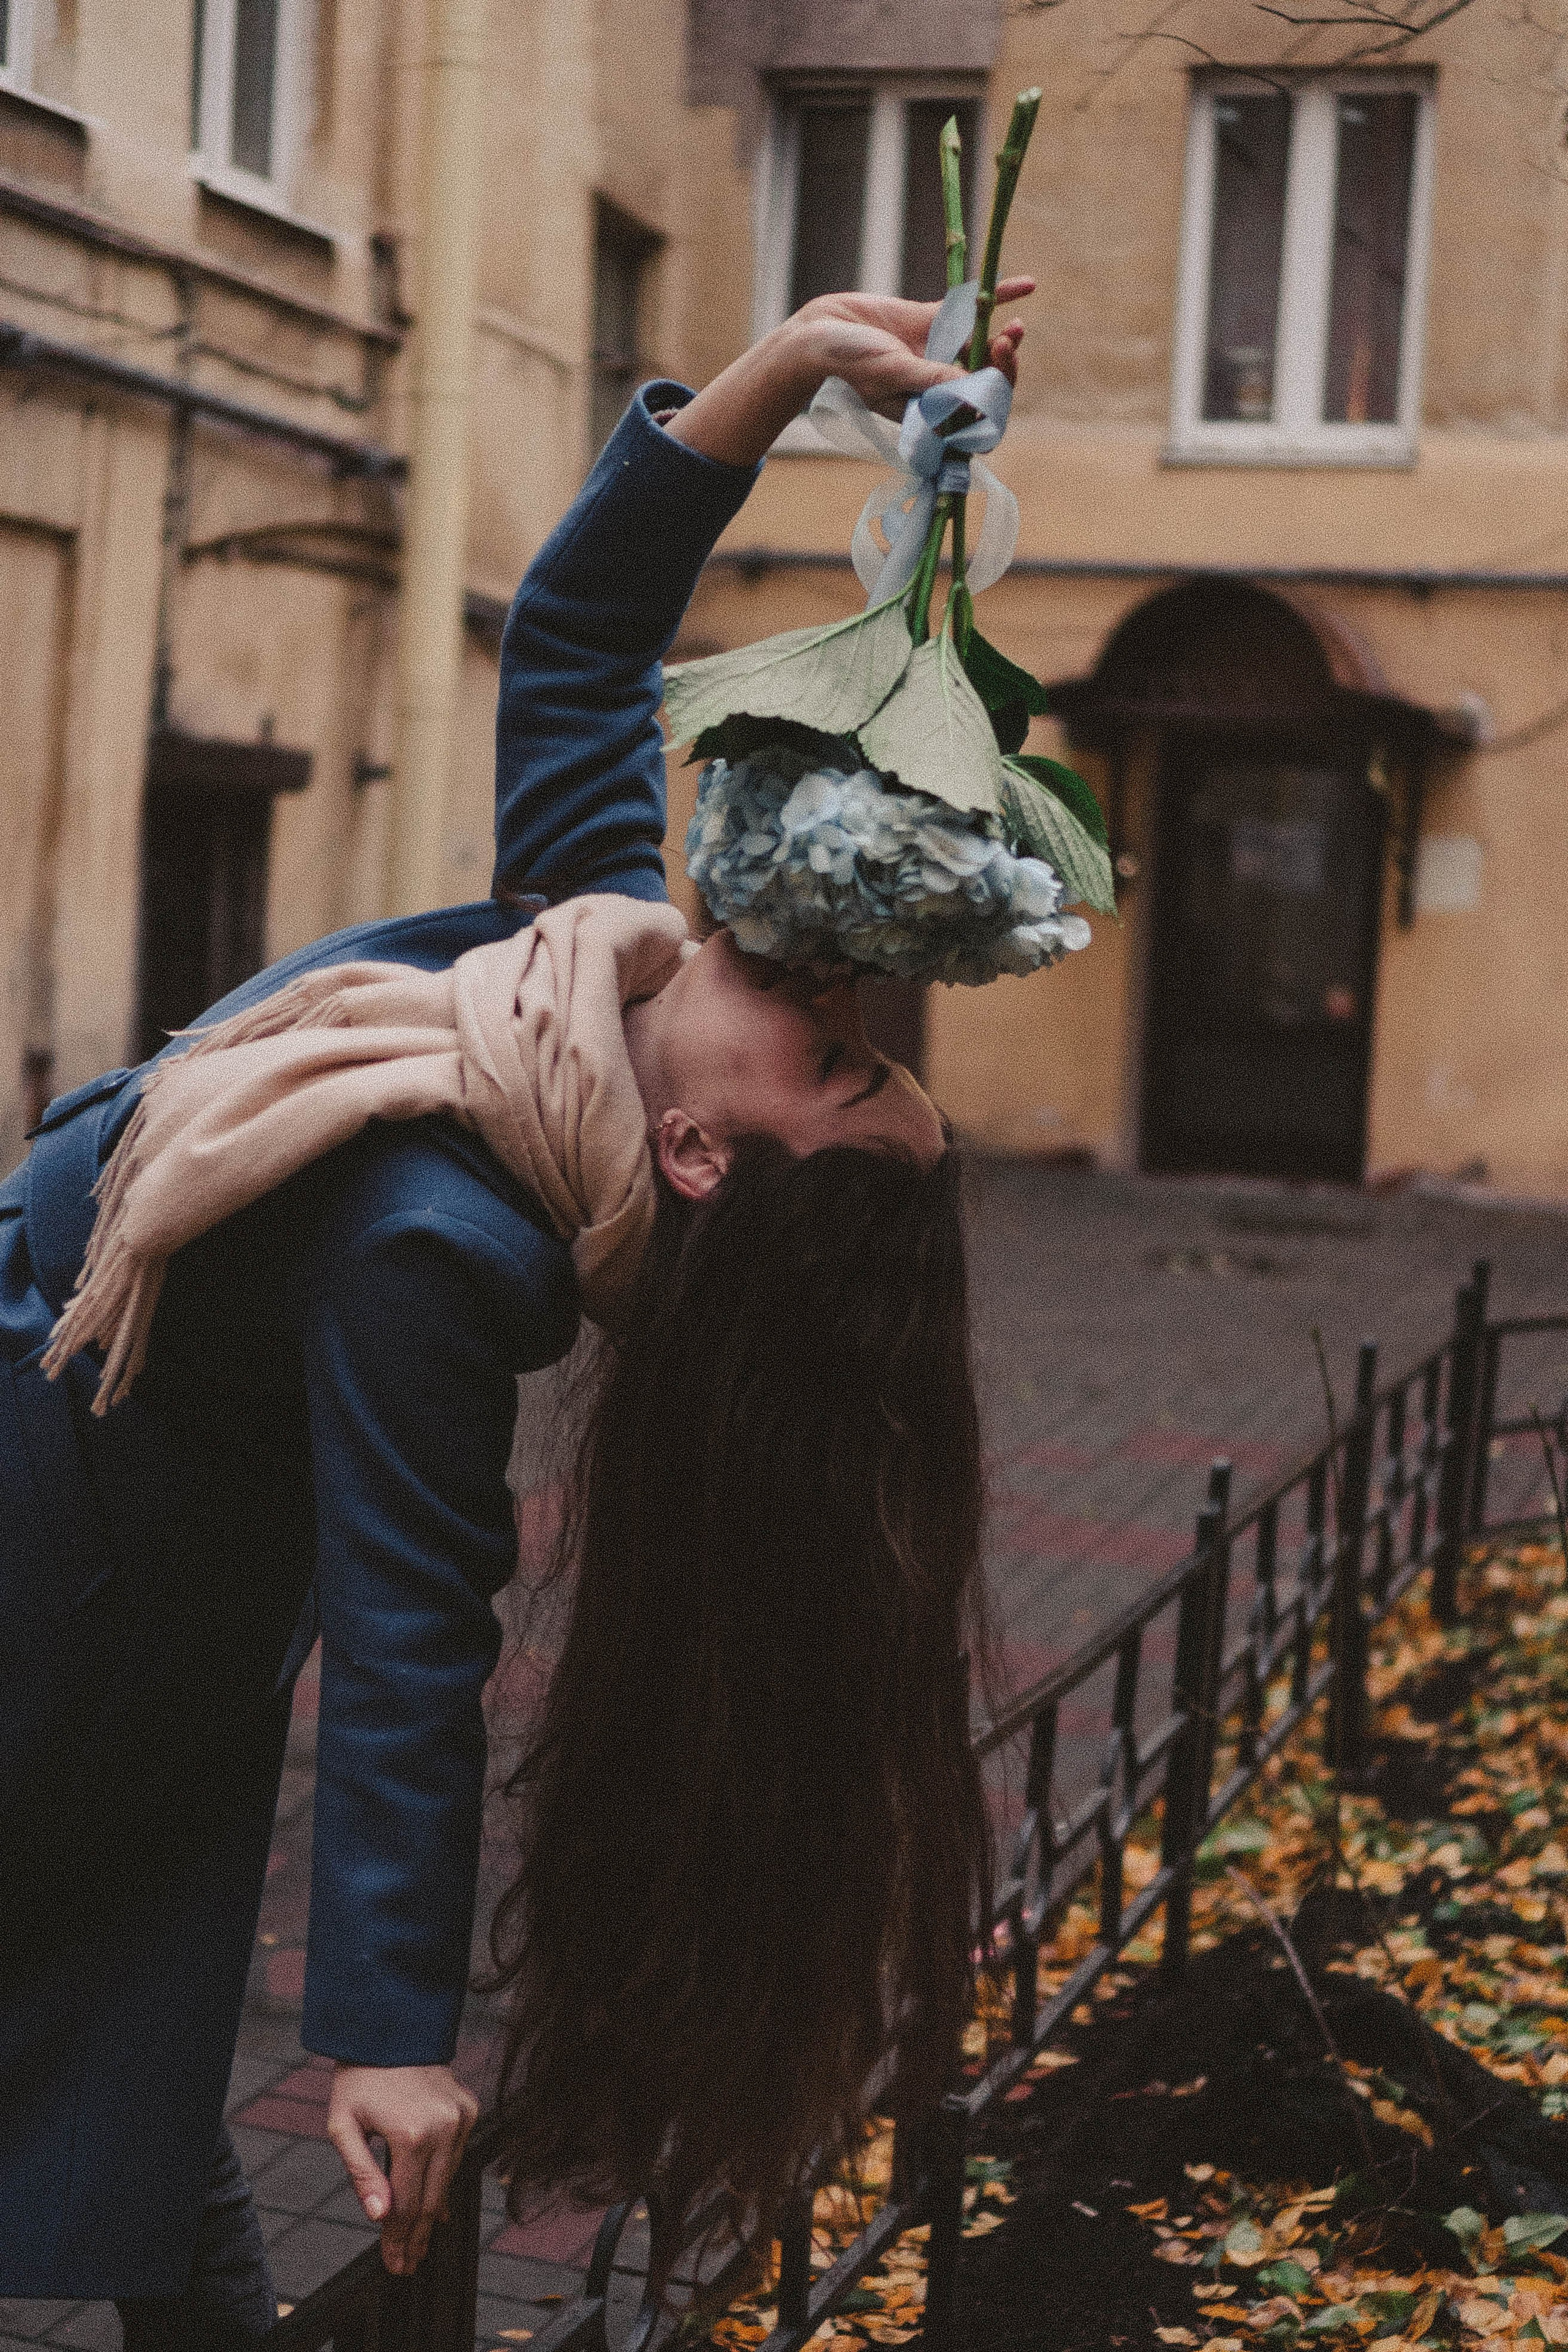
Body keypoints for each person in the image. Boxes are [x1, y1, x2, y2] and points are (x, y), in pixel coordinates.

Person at [0, 277, 1030, 2335]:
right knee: (114, 2096)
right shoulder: (608, 960)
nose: (843, 1007)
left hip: (63, 1640)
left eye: (843, 1070)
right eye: (881, 1041)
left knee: (112, 2088)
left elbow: (412, 1649)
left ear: (705, 1162)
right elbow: (574, 641)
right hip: (102, 1555)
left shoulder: (439, 1246)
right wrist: (789, 375)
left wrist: (384, 2033)